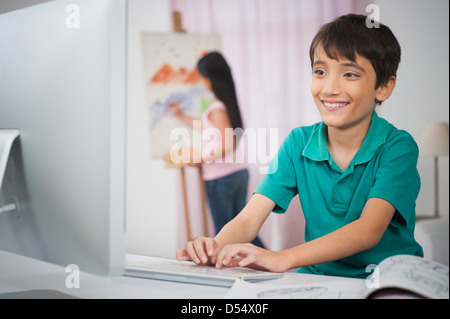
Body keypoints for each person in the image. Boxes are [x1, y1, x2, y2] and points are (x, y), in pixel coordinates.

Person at [176, 14, 424, 279]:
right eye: (320, 72)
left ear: (384, 87)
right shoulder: (298, 143)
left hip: (388, 281)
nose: (329, 88)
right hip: (318, 279)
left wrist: (282, 258)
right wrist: (215, 245)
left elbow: (368, 230)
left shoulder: (398, 147)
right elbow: (249, 218)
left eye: (350, 74)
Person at [168, 51, 265, 248]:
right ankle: (271, 264)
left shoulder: (216, 108)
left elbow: (228, 144)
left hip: (221, 178)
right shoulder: (226, 105)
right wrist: (180, 115)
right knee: (243, 230)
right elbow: (204, 125)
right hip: (238, 172)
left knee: (223, 234)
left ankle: (270, 265)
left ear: (209, 79)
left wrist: (200, 158)